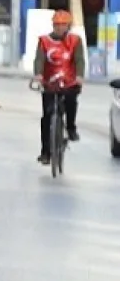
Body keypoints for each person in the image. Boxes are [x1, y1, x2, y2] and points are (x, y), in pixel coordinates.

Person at [33, 9, 85, 164]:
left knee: (71, 102)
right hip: (49, 82)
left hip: (69, 81)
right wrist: (38, 74)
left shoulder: (75, 41)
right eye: (57, 25)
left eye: (63, 25)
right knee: (47, 117)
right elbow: (39, 60)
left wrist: (80, 76)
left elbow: (79, 60)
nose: (60, 28)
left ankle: (70, 128)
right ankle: (45, 152)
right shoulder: (44, 41)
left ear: (68, 26)